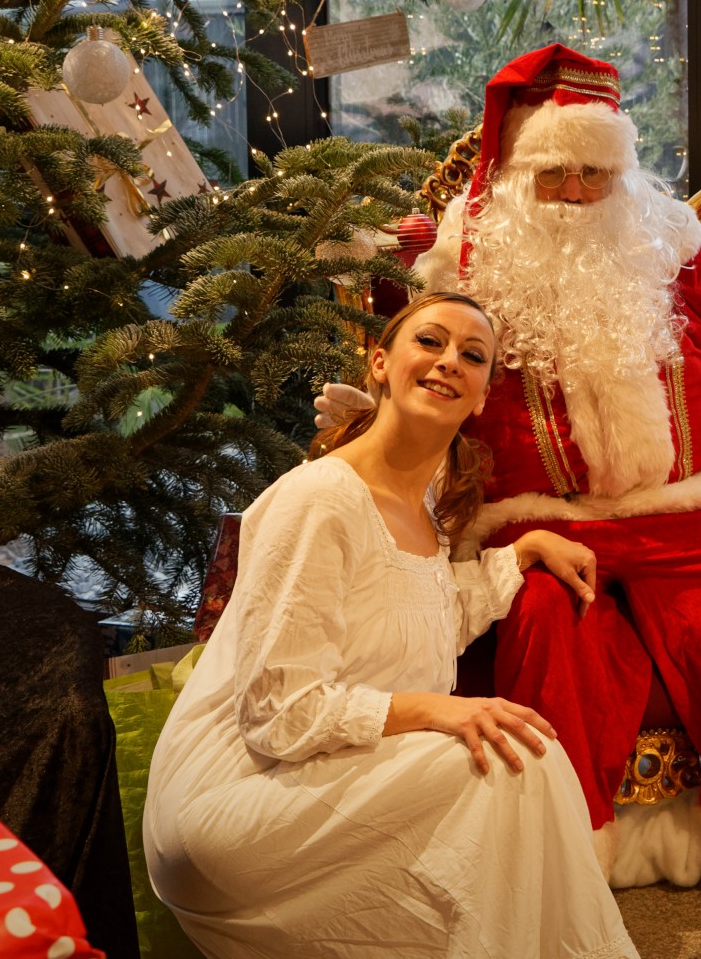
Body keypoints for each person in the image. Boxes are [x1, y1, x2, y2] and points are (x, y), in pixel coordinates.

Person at [323, 43, 701, 905]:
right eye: (554, 174)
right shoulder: (464, 271)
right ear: (514, 175)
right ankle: (566, 847)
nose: (577, 194)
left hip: (684, 510)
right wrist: (374, 421)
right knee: (545, 613)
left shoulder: (667, 259)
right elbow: (425, 376)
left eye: (594, 173)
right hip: (539, 517)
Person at [144, 291, 637, 959]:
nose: (448, 363)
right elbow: (279, 712)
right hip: (237, 800)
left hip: (320, 775)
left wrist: (522, 550)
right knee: (512, 761)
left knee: (524, 755)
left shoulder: (425, 507)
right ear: (379, 362)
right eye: (429, 342)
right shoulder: (319, 499)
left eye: (472, 355)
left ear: (484, 394)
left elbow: (420, 620)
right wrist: (434, 709)